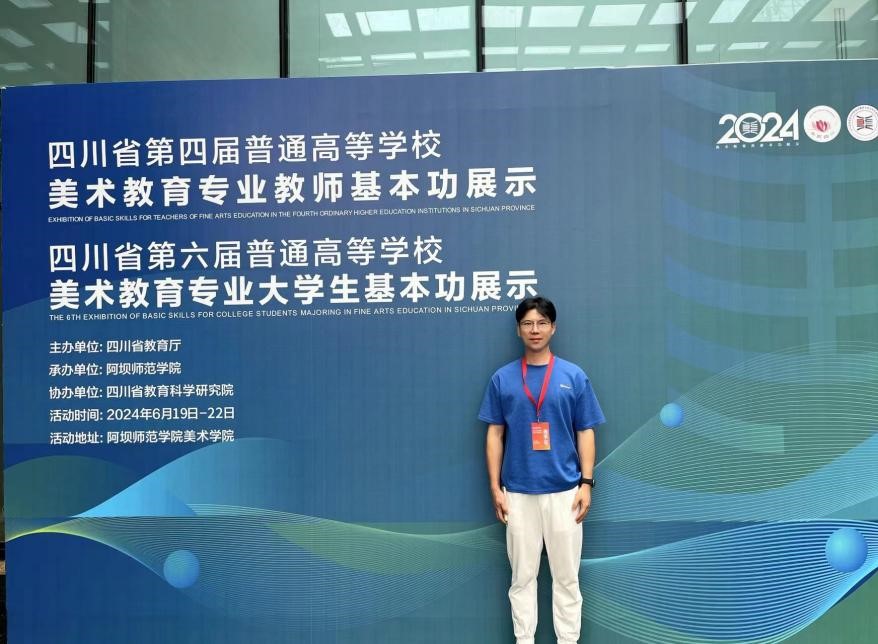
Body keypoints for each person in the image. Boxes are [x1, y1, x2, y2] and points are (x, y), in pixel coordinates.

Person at [479, 296, 605, 644]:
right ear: (518, 330)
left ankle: (568, 640)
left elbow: (586, 431)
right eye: (527, 323)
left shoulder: (573, 376)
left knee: (567, 578)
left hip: (565, 492)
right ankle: (524, 640)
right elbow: (494, 434)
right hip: (518, 493)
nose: (535, 330)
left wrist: (586, 483)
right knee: (522, 578)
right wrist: (495, 488)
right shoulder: (502, 379)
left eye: (541, 323)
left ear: (553, 328)